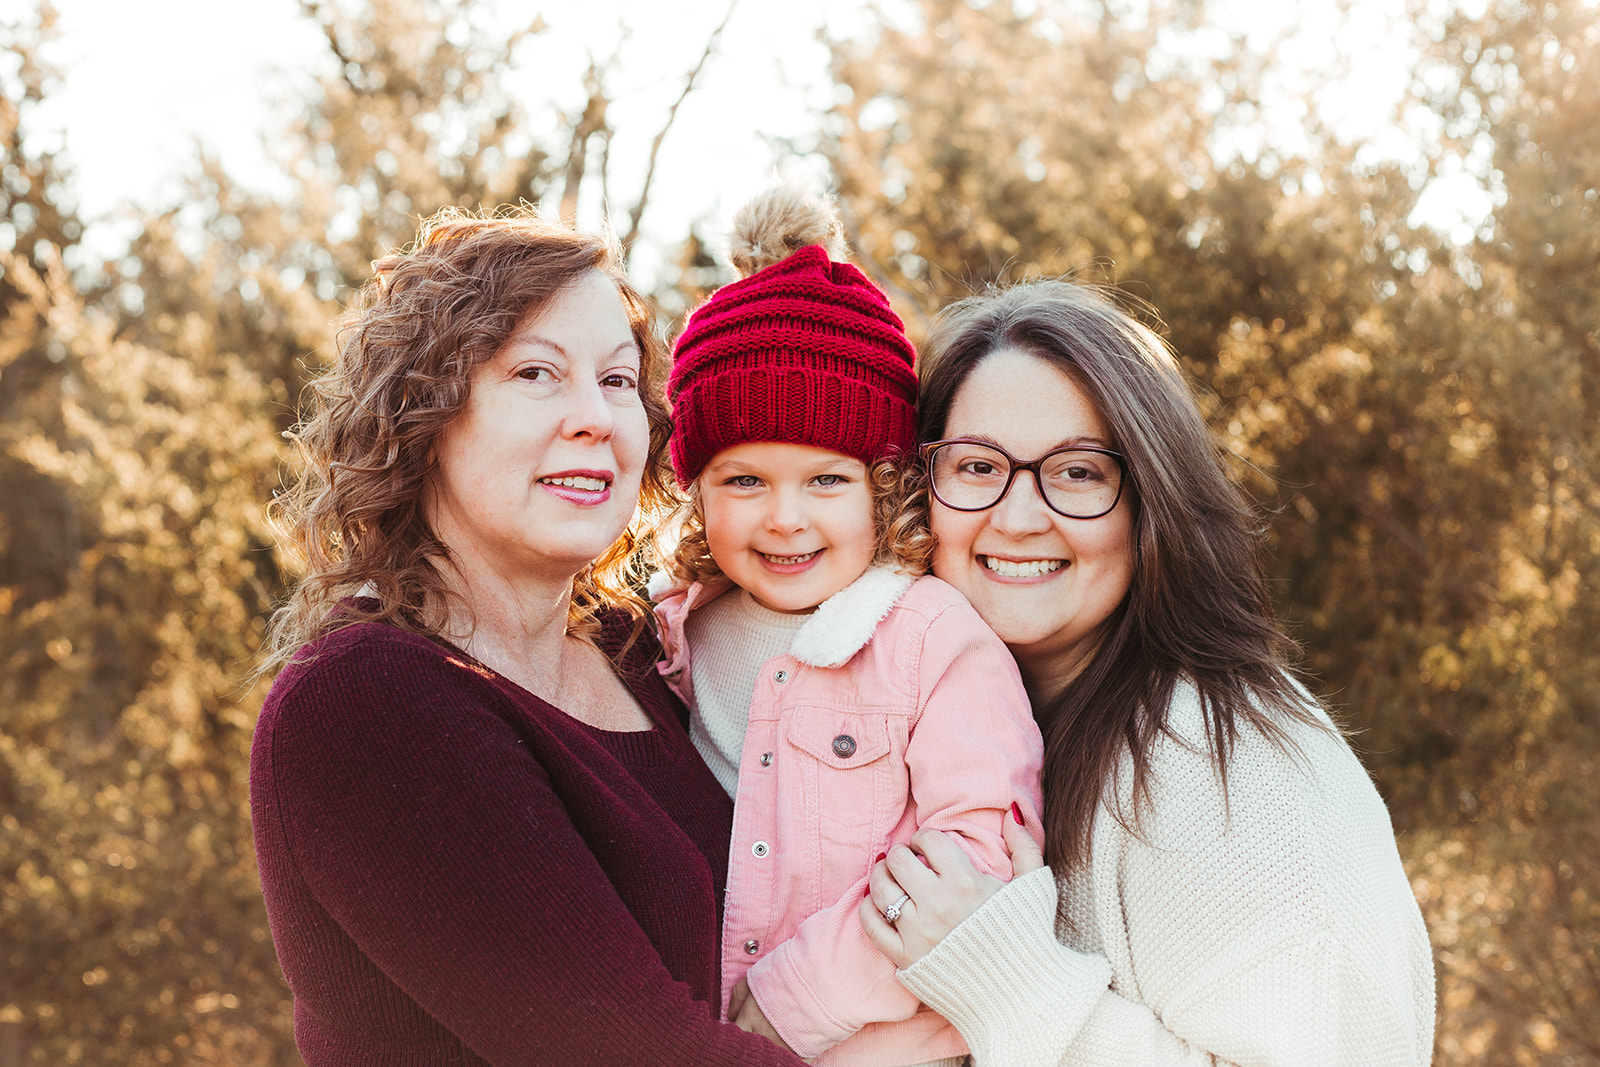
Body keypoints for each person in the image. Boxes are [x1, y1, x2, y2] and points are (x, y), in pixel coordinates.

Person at [250, 207, 807, 1065]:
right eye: (537, 372)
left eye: (619, 381)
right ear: (425, 414)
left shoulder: (640, 648)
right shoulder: (366, 705)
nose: (595, 417)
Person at [858, 279, 1436, 1065]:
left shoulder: (1227, 764)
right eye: (975, 465)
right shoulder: (949, 730)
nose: (1019, 516)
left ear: (1153, 502)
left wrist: (1009, 979)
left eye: (1080, 472)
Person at [649, 186, 1045, 1067]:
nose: (785, 519)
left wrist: (790, 1002)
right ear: (696, 492)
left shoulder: (931, 638)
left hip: (891, 1048)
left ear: (885, 483)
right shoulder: (675, 636)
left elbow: (977, 854)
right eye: (744, 480)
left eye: (826, 480)